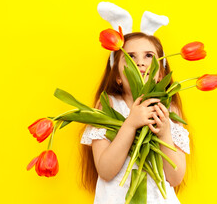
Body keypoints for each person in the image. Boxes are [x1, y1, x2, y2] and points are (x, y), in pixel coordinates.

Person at [79, 32, 191, 204]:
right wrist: (130, 124)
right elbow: (105, 170)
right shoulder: (108, 106)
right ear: (117, 76)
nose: (140, 62)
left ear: (160, 74)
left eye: (149, 56)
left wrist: (164, 133)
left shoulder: (167, 110)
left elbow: (175, 177)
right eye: (130, 57)